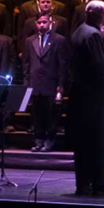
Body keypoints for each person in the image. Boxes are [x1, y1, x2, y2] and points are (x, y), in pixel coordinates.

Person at [68, 0, 104, 196]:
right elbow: (101, 69)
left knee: (84, 144)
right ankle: (102, 184)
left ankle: (83, 184)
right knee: (101, 143)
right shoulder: (93, 35)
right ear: (96, 14)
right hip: (96, 100)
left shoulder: (79, 31)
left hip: (81, 97)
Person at [23, 13, 70, 152]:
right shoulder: (29, 40)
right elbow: (26, 64)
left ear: (50, 22)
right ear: (36, 24)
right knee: (36, 115)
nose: (42, 25)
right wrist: (27, 83)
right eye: (39, 22)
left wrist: (60, 86)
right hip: (35, 83)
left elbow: (62, 65)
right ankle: (38, 140)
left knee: (51, 115)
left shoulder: (59, 40)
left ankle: (49, 140)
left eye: (44, 22)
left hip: (51, 83)